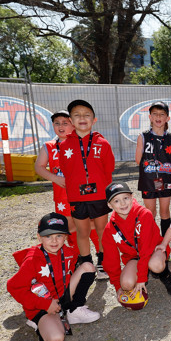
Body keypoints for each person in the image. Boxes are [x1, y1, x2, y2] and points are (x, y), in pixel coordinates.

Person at [7, 213, 100, 341]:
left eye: (59, 236)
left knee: (88, 267)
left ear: (65, 237)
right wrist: (45, 304)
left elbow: (72, 268)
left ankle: (73, 310)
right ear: (39, 237)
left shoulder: (68, 252)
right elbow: (13, 287)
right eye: (48, 236)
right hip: (42, 305)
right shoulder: (32, 260)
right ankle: (38, 322)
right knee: (55, 340)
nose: (54, 241)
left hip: (62, 297)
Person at [60, 99, 115, 279]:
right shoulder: (64, 146)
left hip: (99, 195)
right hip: (77, 197)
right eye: (77, 115)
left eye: (86, 115)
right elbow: (67, 171)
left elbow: (109, 169)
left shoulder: (103, 143)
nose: (82, 118)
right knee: (82, 231)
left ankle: (102, 262)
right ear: (70, 120)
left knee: (102, 230)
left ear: (94, 119)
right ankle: (86, 262)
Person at [34, 110, 101, 252]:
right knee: (70, 228)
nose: (61, 126)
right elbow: (38, 167)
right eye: (57, 123)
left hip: (85, 195)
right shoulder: (49, 146)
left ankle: (103, 258)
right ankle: (80, 259)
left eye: (65, 123)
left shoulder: (84, 143)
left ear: (74, 125)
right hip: (62, 197)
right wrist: (55, 178)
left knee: (92, 225)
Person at [102, 182, 171, 299]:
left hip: (153, 249)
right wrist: (118, 286)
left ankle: (165, 275)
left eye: (126, 198)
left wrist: (142, 278)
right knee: (126, 284)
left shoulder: (145, 215)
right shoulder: (109, 228)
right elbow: (111, 259)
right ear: (109, 205)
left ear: (132, 197)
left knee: (155, 265)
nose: (122, 203)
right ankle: (143, 272)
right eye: (116, 201)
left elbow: (146, 248)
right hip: (134, 256)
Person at [135, 101, 171, 236]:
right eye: (155, 114)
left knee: (165, 211)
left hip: (165, 180)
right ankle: (151, 242)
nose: (158, 117)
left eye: (162, 114)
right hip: (148, 180)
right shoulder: (143, 136)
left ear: (167, 118)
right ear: (150, 117)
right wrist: (152, 165)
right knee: (150, 212)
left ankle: (165, 245)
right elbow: (137, 159)